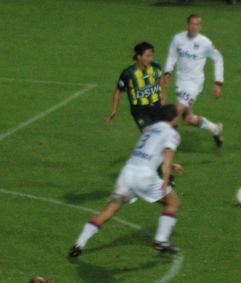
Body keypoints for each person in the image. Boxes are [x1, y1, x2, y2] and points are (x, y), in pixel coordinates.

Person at [69, 104, 184, 257]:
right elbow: (168, 152)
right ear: (175, 118)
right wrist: (166, 175)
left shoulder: (152, 129)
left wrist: (170, 165)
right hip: (144, 176)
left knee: (107, 212)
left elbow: (149, 151)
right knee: (172, 203)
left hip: (127, 174)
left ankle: (79, 244)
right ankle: (161, 240)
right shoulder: (172, 133)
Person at [162, 14, 224, 147]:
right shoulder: (178, 39)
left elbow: (218, 59)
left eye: (197, 24)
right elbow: (172, 56)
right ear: (187, 24)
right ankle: (215, 128)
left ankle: (166, 148)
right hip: (180, 83)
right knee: (188, 119)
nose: (194, 27)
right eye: (191, 24)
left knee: (174, 113)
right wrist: (167, 72)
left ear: (200, 26)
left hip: (194, 85)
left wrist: (217, 83)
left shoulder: (205, 43)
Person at [107, 42, 165, 132]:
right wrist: (114, 109)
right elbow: (118, 90)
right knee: (149, 134)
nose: (150, 59)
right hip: (140, 109)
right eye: (147, 56)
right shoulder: (128, 74)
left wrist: (163, 97)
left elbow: (159, 80)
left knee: (163, 133)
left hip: (157, 106)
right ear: (139, 56)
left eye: (151, 56)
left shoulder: (156, 66)